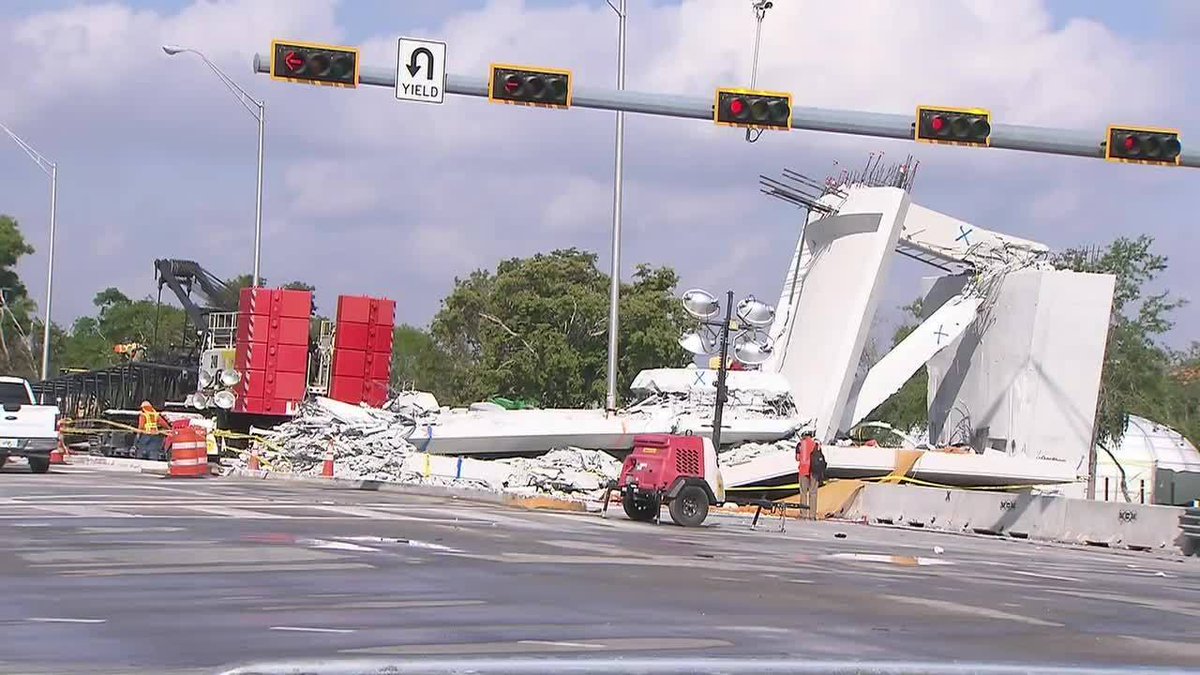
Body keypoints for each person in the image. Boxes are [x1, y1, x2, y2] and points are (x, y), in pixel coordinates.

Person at [795, 431, 821, 520]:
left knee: (803, 493)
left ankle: (803, 514)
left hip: (803, 470)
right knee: (813, 493)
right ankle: (812, 515)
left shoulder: (800, 444)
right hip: (814, 471)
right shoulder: (816, 444)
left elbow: (798, 458)